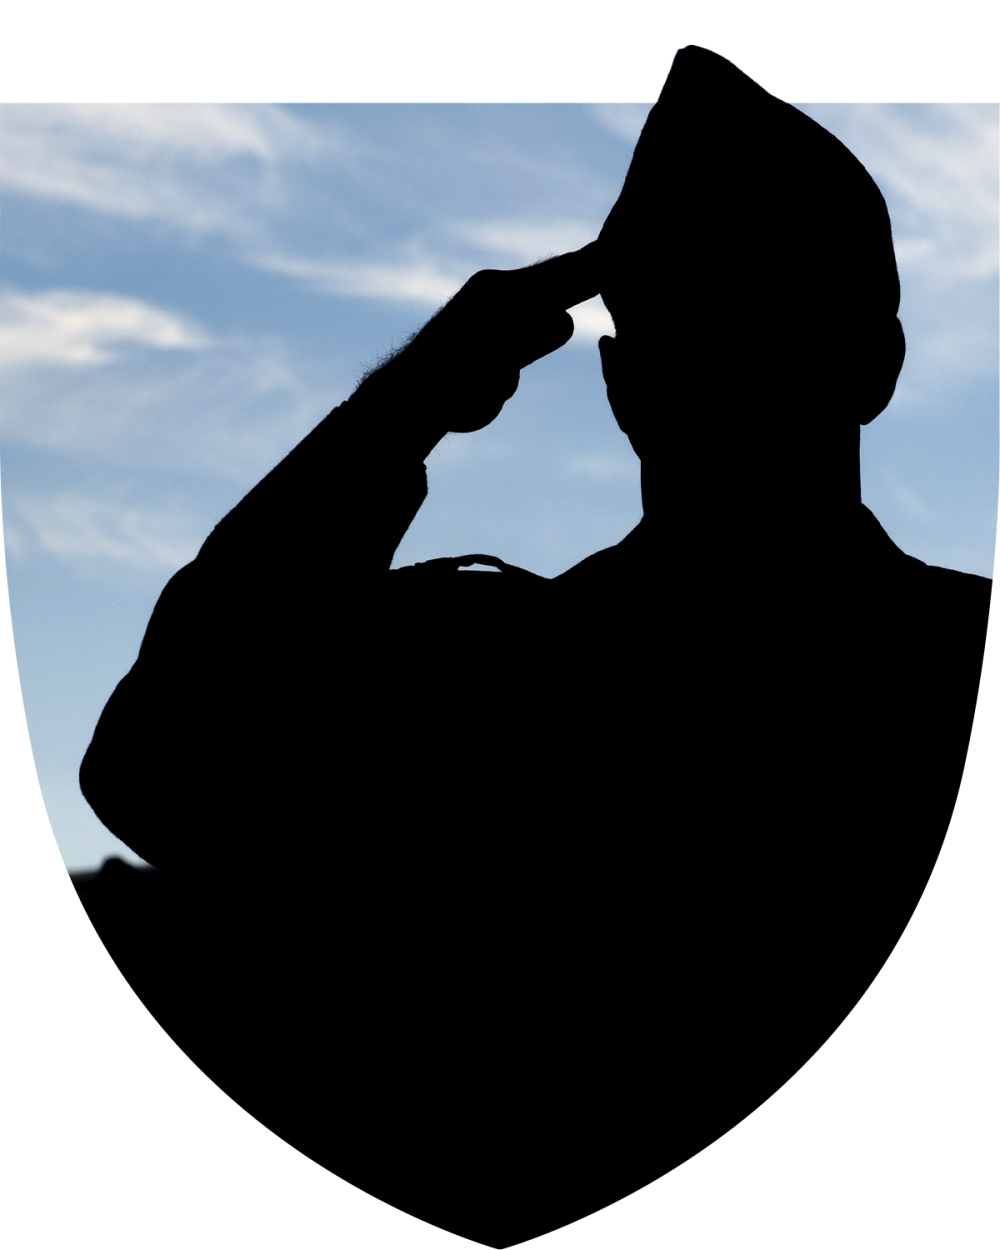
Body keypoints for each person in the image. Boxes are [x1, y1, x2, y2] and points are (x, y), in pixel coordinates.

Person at [77, 49, 992, 963]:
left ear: (623, 388)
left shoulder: (482, 678)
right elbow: (154, 766)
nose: (733, 381)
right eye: (710, 341)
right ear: (880, 366)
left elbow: (161, 761)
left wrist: (404, 408)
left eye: (761, 335)